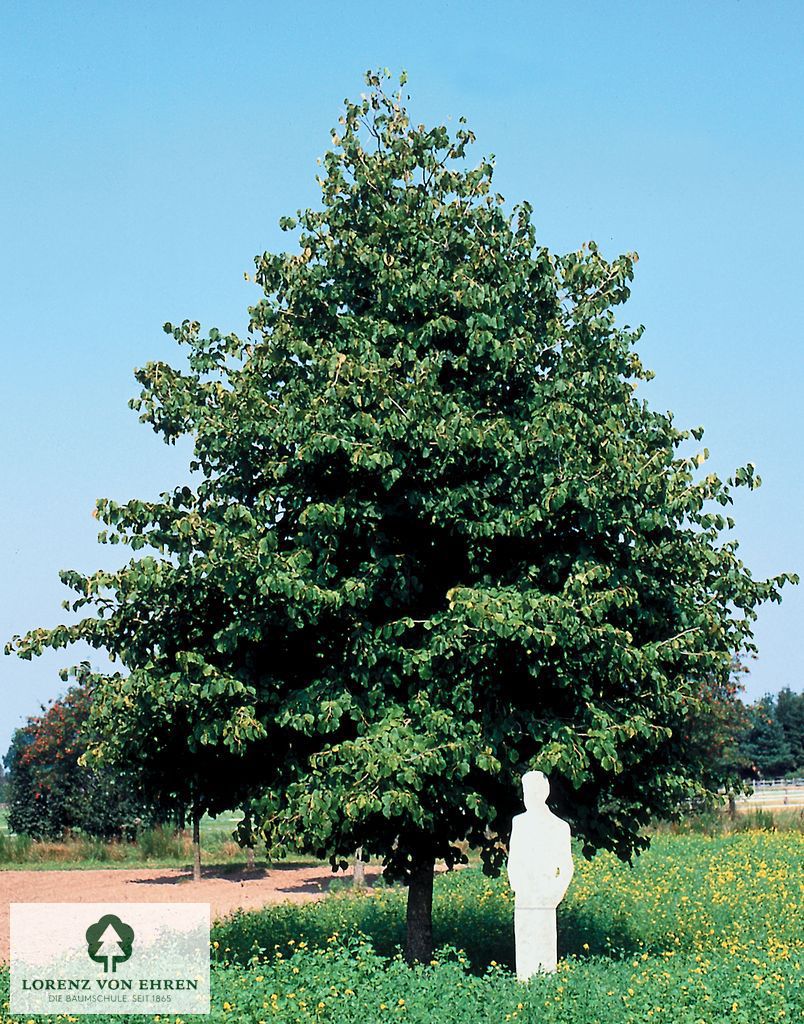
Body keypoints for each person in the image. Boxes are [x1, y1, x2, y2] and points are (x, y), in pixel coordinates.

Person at [507, 770, 574, 978]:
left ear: (544, 792)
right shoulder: (519, 822)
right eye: (525, 791)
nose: (527, 796)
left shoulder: (559, 827)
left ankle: (545, 992)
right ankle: (524, 991)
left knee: (545, 947)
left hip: (546, 896)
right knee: (525, 945)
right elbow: (514, 858)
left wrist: (555, 894)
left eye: (532, 791)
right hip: (525, 895)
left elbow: (566, 866)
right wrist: (517, 885)